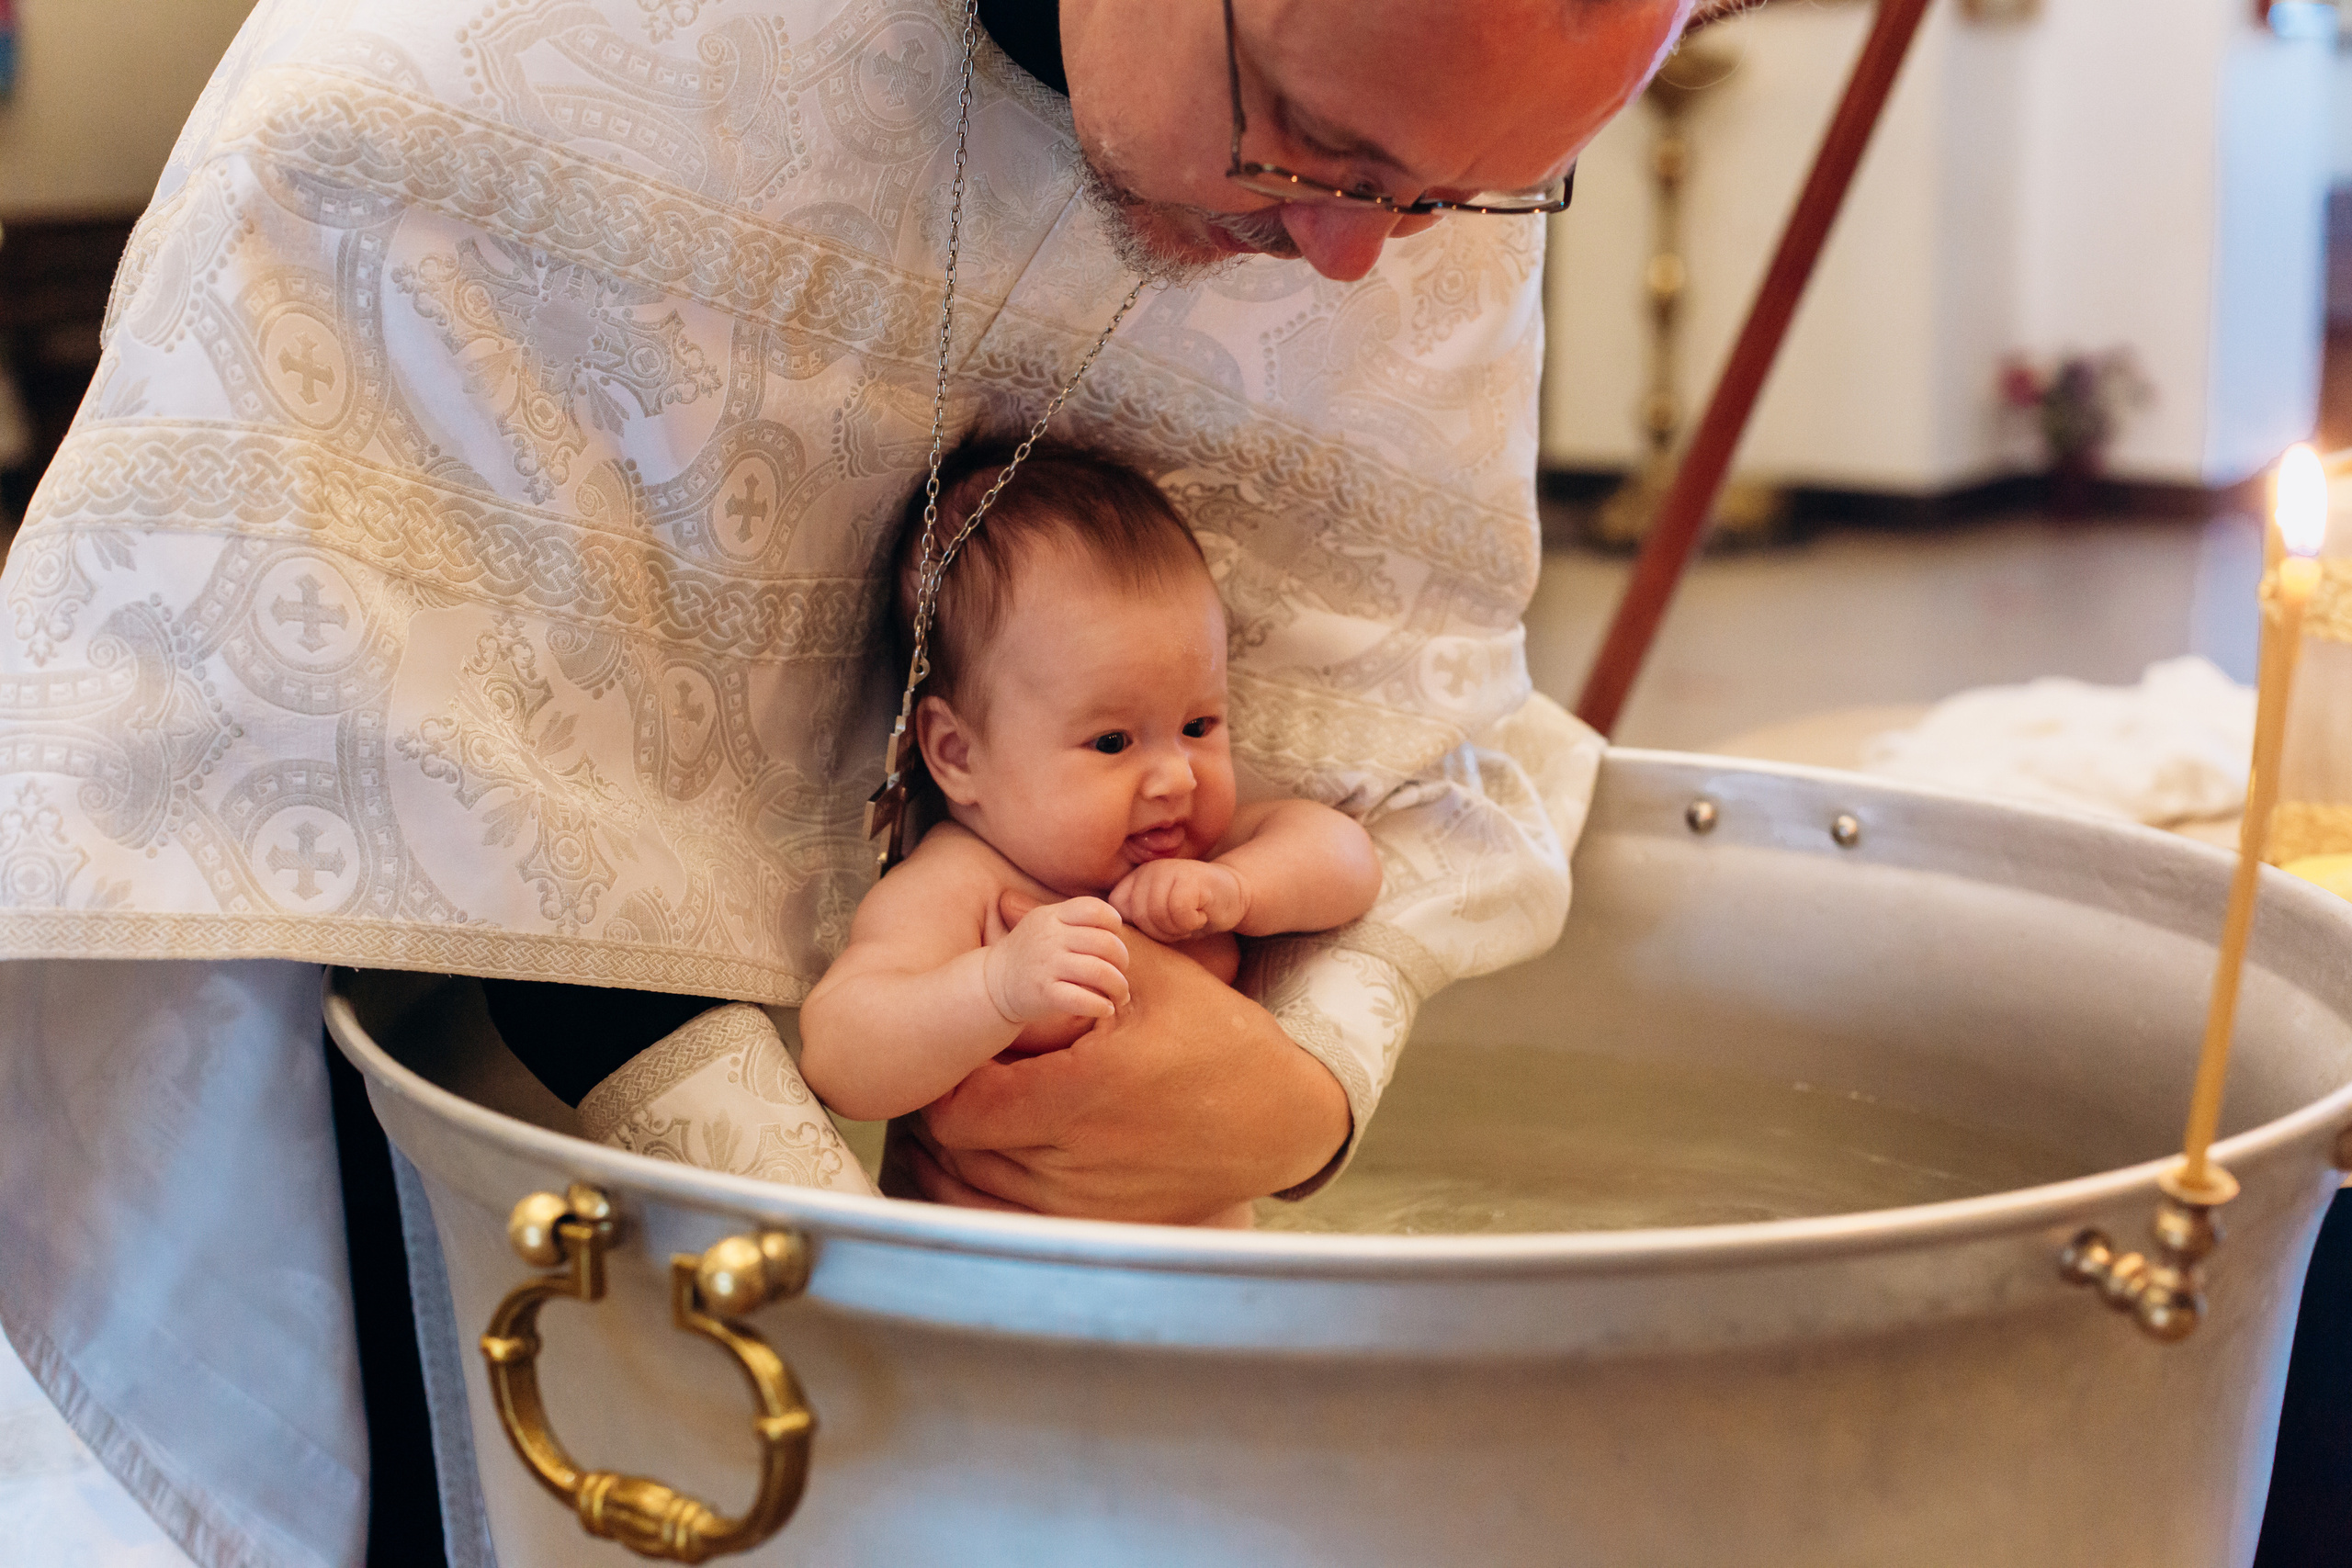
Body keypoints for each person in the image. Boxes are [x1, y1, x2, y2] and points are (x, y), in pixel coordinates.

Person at [0, 0, 1691, 1562]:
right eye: (1306, 145)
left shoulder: (1406, 121)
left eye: (1452, 200)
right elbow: (433, 738)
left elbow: (1389, 705)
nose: (1347, 259)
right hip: (524, 1061)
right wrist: (875, 1279)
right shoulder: (490, 61)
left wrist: (1299, 1084)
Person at [799, 443, 1383, 1225]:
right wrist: (993, 988)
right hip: (996, 1284)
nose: (1176, 776)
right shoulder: (960, 889)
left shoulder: (1195, 861)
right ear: (957, 754)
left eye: (1198, 724)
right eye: (1112, 742)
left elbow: (1349, 861)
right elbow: (840, 1059)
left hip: (1216, 1288)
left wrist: (1241, 888)